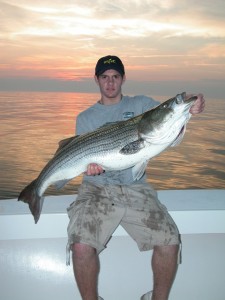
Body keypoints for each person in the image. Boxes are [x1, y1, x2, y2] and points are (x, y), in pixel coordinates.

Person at [66, 55, 205, 300]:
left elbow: (169, 121)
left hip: (135, 187)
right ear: (97, 80)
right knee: (80, 247)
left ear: (123, 79)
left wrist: (190, 107)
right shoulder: (85, 118)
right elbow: (84, 158)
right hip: (96, 189)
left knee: (170, 241)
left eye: (115, 77)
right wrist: (90, 167)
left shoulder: (142, 105)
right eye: (105, 77)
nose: (110, 83)